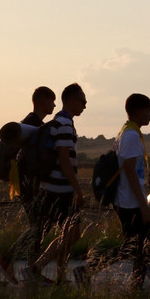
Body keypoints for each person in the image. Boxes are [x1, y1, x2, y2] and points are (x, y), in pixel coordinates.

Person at [0, 86, 56, 283]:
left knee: (40, 226)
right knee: (39, 226)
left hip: (23, 183)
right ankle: (9, 260)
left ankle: (32, 270)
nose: (54, 105)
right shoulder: (34, 126)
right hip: (29, 185)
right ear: (42, 101)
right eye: (51, 100)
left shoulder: (28, 124)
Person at [29, 83, 88, 285]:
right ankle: (36, 267)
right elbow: (64, 159)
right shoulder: (63, 124)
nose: (85, 106)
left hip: (54, 188)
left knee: (68, 233)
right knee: (73, 233)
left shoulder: (61, 122)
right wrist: (77, 190)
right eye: (83, 101)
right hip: (61, 189)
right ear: (72, 101)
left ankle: (60, 276)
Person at [109, 93, 150, 287]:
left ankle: (137, 284)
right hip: (130, 201)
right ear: (137, 111)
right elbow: (130, 170)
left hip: (127, 200)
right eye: (148, 110)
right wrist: (143, 204)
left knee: (135, 245)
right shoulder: (131, 135)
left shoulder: (127, 132)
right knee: (141, 244)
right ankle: (136, 286)